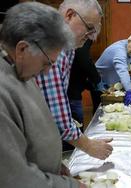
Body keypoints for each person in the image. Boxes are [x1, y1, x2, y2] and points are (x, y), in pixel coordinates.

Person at [0, 2, 86, 187]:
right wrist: (72, 186)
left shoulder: (21, 69)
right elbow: (15, 177)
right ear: (22, 49)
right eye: (46, 63)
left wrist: (56, 165)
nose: (47, 72)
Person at [35, 0, 113, 159]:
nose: (92, 36)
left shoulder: (70, 47)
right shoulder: (50, 42)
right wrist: (89, 146)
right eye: (90, 28)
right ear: (69, 15)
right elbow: (57, 116)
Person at [96, 33, 131, 106]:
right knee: (101, 107)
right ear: (129, 41)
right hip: (100, 82)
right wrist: (129, 90)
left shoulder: (130, 48)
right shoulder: (119, 51)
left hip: (111, 82)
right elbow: (123, 71)